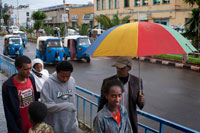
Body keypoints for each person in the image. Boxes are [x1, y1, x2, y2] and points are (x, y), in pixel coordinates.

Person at [98, 57, 145, 133]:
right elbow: (102, 102)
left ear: (129, 68)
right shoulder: (107, 82)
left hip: (129, 121)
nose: (118, 70)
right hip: (111, 121)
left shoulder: (137, 82)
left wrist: (141, 101)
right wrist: (100, 120)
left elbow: (140, 105)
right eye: (117, 68)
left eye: (121, 68)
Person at [2, 55, 40, 133]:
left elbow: (35, 97)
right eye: (26, 69)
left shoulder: (31, 78)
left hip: (32, 124)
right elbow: (8, 112)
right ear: (18, 68)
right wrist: (14, 129)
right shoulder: (8, 86)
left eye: (30, 68)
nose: (29, 71)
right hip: (18, 125)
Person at [41, 61, 78, 133]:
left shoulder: (72, 80)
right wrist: (65, 106)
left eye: (68, 76)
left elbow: (73, 100)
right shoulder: (48, 83)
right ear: (57, 73)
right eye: (62, 76)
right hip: (55, 122)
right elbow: (45, 105)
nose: (65, 79)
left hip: (70, 121)